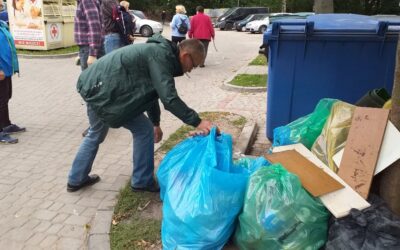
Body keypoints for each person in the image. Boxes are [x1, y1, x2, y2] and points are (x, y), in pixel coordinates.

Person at [66, 34, 216, 192]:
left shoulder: (161, 54)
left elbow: (149, 93)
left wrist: (155, 123)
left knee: (97, 133)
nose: (191, 69)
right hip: (103, 92)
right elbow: (169, 98)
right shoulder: (161, 56)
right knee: (143, 131)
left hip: (97, 87)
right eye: (193, 65)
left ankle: (76, 179)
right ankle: (142, 181)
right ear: (185, 55)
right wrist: (198, 122)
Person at [0, 20, 26, 144]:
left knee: (5, 98)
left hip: (6, 69)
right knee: (0, 100)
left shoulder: (2, 24)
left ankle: (6, 124)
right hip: (1, 70)